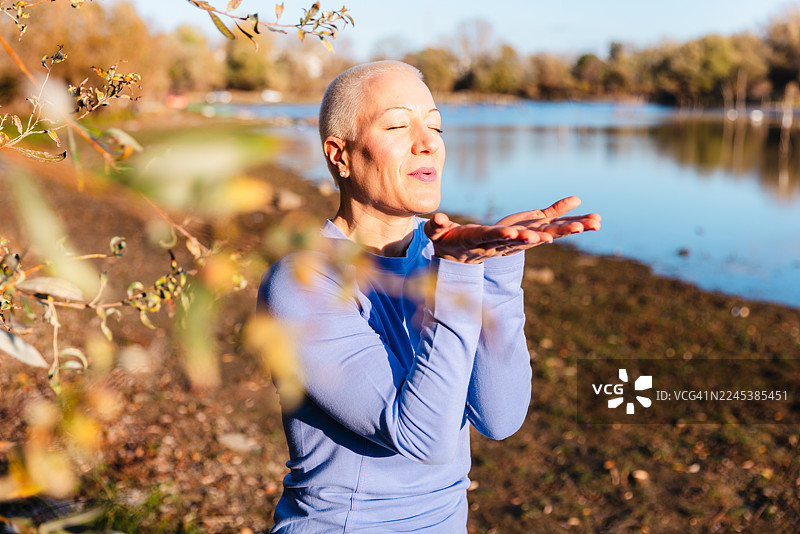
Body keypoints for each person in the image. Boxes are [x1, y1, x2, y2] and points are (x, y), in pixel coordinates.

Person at [257, 60, 601, 533]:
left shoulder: (445, 251)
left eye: (435, 124)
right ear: (339, 155)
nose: (429, 141)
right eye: (398, 125)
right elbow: (422, 436)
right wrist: (459, 271)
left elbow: (499, 416)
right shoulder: (301, 283)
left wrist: (497, 264)